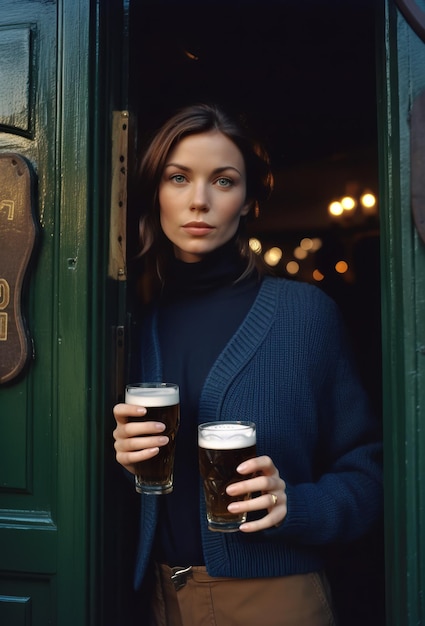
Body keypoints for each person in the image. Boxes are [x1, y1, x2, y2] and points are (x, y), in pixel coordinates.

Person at [113, 103, 383, 626]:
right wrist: (124, 462)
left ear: (247, 200)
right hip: (156, 600)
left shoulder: (304, 315)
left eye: (223, 180)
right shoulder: (135, 323)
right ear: (154, 193)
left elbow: (371, 473)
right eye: (178, 178)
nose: (199, 200)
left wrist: (295, 506)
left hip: (274, 597)